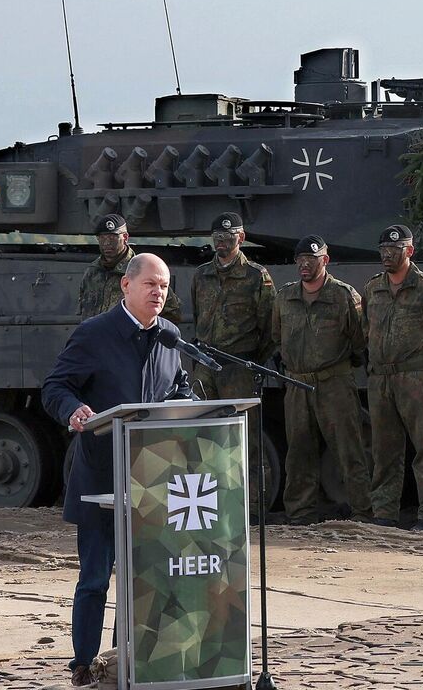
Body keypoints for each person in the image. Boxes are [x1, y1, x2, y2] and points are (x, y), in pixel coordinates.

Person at [41, 253, 196, 688]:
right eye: (150, 284)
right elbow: (55, 387)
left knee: (145, 578)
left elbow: (178, 388)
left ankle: (125, 657)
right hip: (100, 479)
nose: (158, 293)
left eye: (164, 286)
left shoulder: (170, 336)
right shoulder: (94, 334)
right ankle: (83, 663)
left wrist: (187, 407)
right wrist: (73, 410)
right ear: (125, 287)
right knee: (95, 577)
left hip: (152, 478)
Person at [363, 224, 423, 532]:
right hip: (381, 379)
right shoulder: (373, 288)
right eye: (383, 251)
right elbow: (365, 330)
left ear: (409, 251)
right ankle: (385, 513)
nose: (388, 256)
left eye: (394, 250)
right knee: (385, 450)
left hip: (417, 376)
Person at [272, 235, 369, 524]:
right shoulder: (285, 297)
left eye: (311, 260)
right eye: (300, 260)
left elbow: (359, 340)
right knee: (299, 452)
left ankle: (362, 512)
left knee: (349, 450)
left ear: (324, 261)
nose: (304, 265)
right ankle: (300, 514)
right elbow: (277, 337)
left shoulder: (343, 296)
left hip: (334, 384)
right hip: (297, 384)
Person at [190, 212, 275, 399]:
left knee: (241, 422)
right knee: (201, 423)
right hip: (205, 364)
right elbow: (198, 317)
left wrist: (252, 359)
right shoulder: (201, 275)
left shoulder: (256, 276)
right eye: (217, 236)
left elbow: (270, 326)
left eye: (228, 236)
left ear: (241, 238)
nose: (221, 241)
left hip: (239, 366)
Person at [76, 213, 179, 320]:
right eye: (102, 238)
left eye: (113, 238)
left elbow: (172, 311)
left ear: (125, 237)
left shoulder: (142, 269)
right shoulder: (92, 272)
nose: (107, 243)